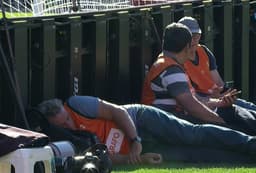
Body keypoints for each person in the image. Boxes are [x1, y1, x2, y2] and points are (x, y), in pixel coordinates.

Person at [37, 95, 256, 165]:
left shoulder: (77, 103)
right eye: (62, 125)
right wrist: (139, 157)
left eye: (67, 120)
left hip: (140, 120)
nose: (69, 125)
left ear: (65, 110)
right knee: (189, 155)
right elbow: (104, 158)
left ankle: (250, 144)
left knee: (191, 134)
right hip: (137, 148)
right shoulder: (66, 141)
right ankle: (246, 159)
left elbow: (118, 112)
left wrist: (135, 139)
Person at [141, 22, 256, 136]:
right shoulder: (171, 70)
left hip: (176, 120)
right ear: (187, 46)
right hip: (171, 123)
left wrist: (220, 103)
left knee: (238, 113)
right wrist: (223, 124)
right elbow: (192, 107)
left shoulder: (167, 64)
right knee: (238, 122)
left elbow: (195, 100)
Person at [178, 16, 256, 111]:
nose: (194, 40)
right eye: (190, 36)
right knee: (245, 115)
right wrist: (215, 98)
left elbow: (218, 82)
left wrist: (225, 94)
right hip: (204, 103)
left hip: (217, 97)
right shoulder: (178, 59)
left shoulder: (204, 51)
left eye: (196, 35)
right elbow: (191, 96)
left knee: (250, 107)